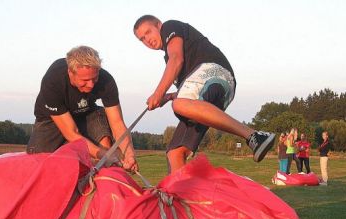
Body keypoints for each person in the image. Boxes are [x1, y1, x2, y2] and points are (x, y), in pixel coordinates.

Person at [133, 15, 275, 173]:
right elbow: (191, 88)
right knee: (175, 153)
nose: (147, 40)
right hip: (211, 94)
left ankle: (253, 135)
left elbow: (176, 59)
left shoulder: (170, 27)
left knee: (180, 103)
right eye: (142, 39)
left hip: (217, 72)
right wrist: (169, 96)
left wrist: (158, 93)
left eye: (148, 32)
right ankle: (180, 196)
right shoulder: (169, 57)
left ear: (159, 25)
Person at [26, 46, 138, 172]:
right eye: (85, 80)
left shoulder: (106, 80)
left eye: (94, 78)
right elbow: (71, 133)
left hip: (86, 113)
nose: (91, 85)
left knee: (105, 148)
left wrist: (129, 154)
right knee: (36, 164)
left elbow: (117, 123)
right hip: (51, 119)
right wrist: (103, 155)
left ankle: (101, 176)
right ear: (70, 72)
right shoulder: (53, 80)